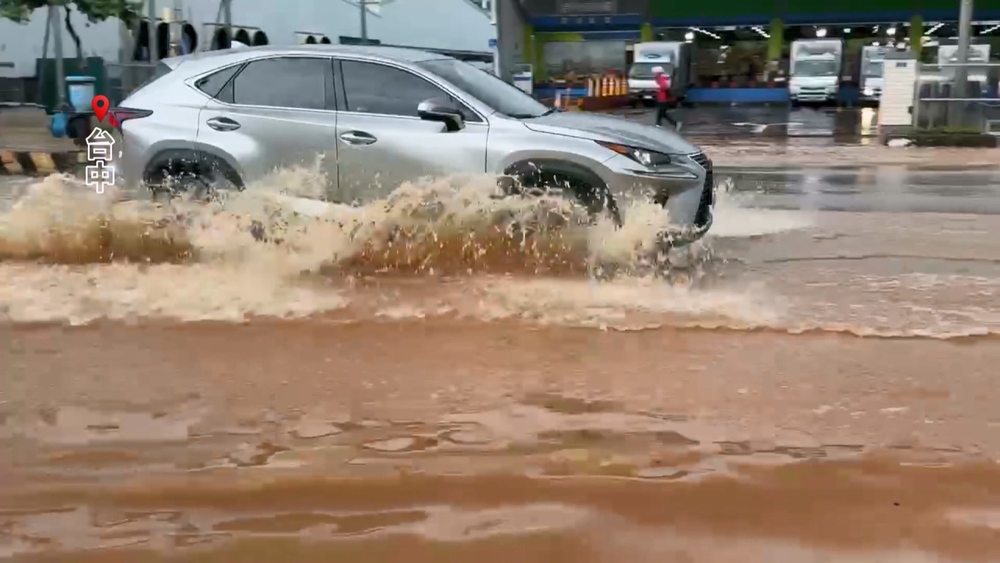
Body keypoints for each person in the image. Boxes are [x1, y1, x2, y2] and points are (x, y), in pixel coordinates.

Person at [652, 66, 680, 130]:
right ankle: (658, 124)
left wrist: (659, 89)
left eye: (655, 73)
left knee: (662, 112)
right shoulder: (659, 78)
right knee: (661, 112)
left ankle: (674, 123)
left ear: (658, 73)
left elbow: (664, 87)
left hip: (663, 99)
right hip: (660, 98)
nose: (654, 74)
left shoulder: (661, 78)